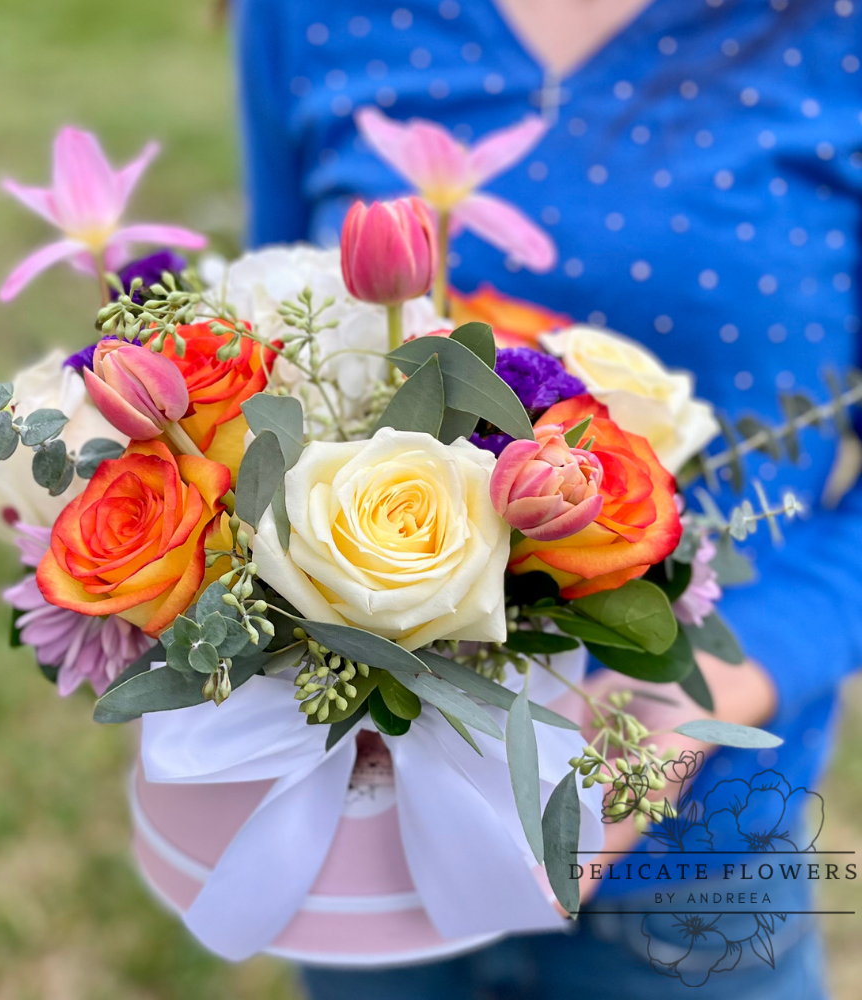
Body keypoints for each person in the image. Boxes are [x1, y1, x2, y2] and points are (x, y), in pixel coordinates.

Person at [232, 1, 861, 996]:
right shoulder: (303, 18)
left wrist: (711, 678)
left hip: (691, 870)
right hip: (367, 833)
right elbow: (268, 366)